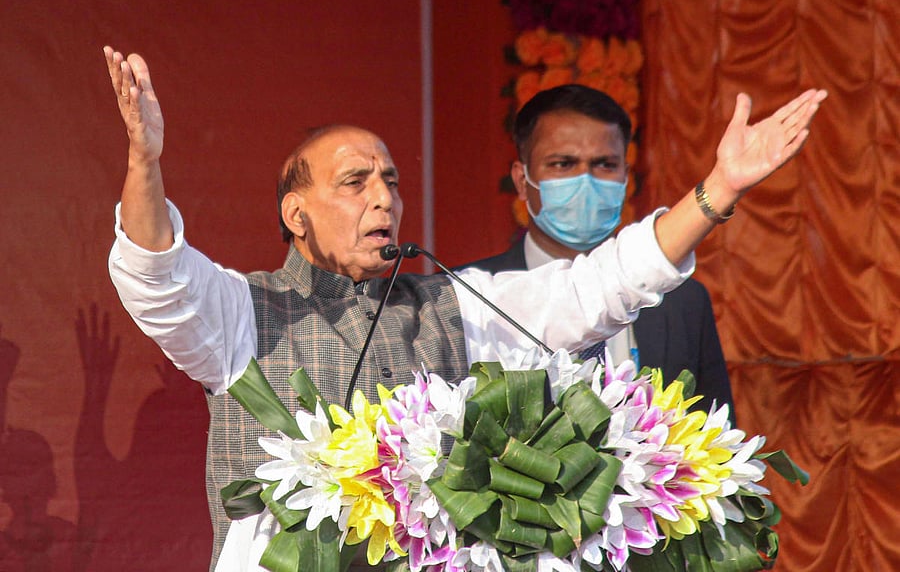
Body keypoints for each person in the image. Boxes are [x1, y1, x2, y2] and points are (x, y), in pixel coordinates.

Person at [102, 46, 825, 571]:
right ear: (296, 214)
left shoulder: (451, 303)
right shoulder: (243, 311)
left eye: (390, 180)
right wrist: (144, 162)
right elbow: (156, 275)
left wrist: (718, 190)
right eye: (355, 183)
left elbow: (595, 288)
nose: (384, 197)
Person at [461, 85, 734, 420]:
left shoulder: (682, 302)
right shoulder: (469, 299)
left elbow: (713, 437)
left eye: (605, 164)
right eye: (563, 164)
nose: (585, 181)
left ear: (625, 178)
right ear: (522, 180)